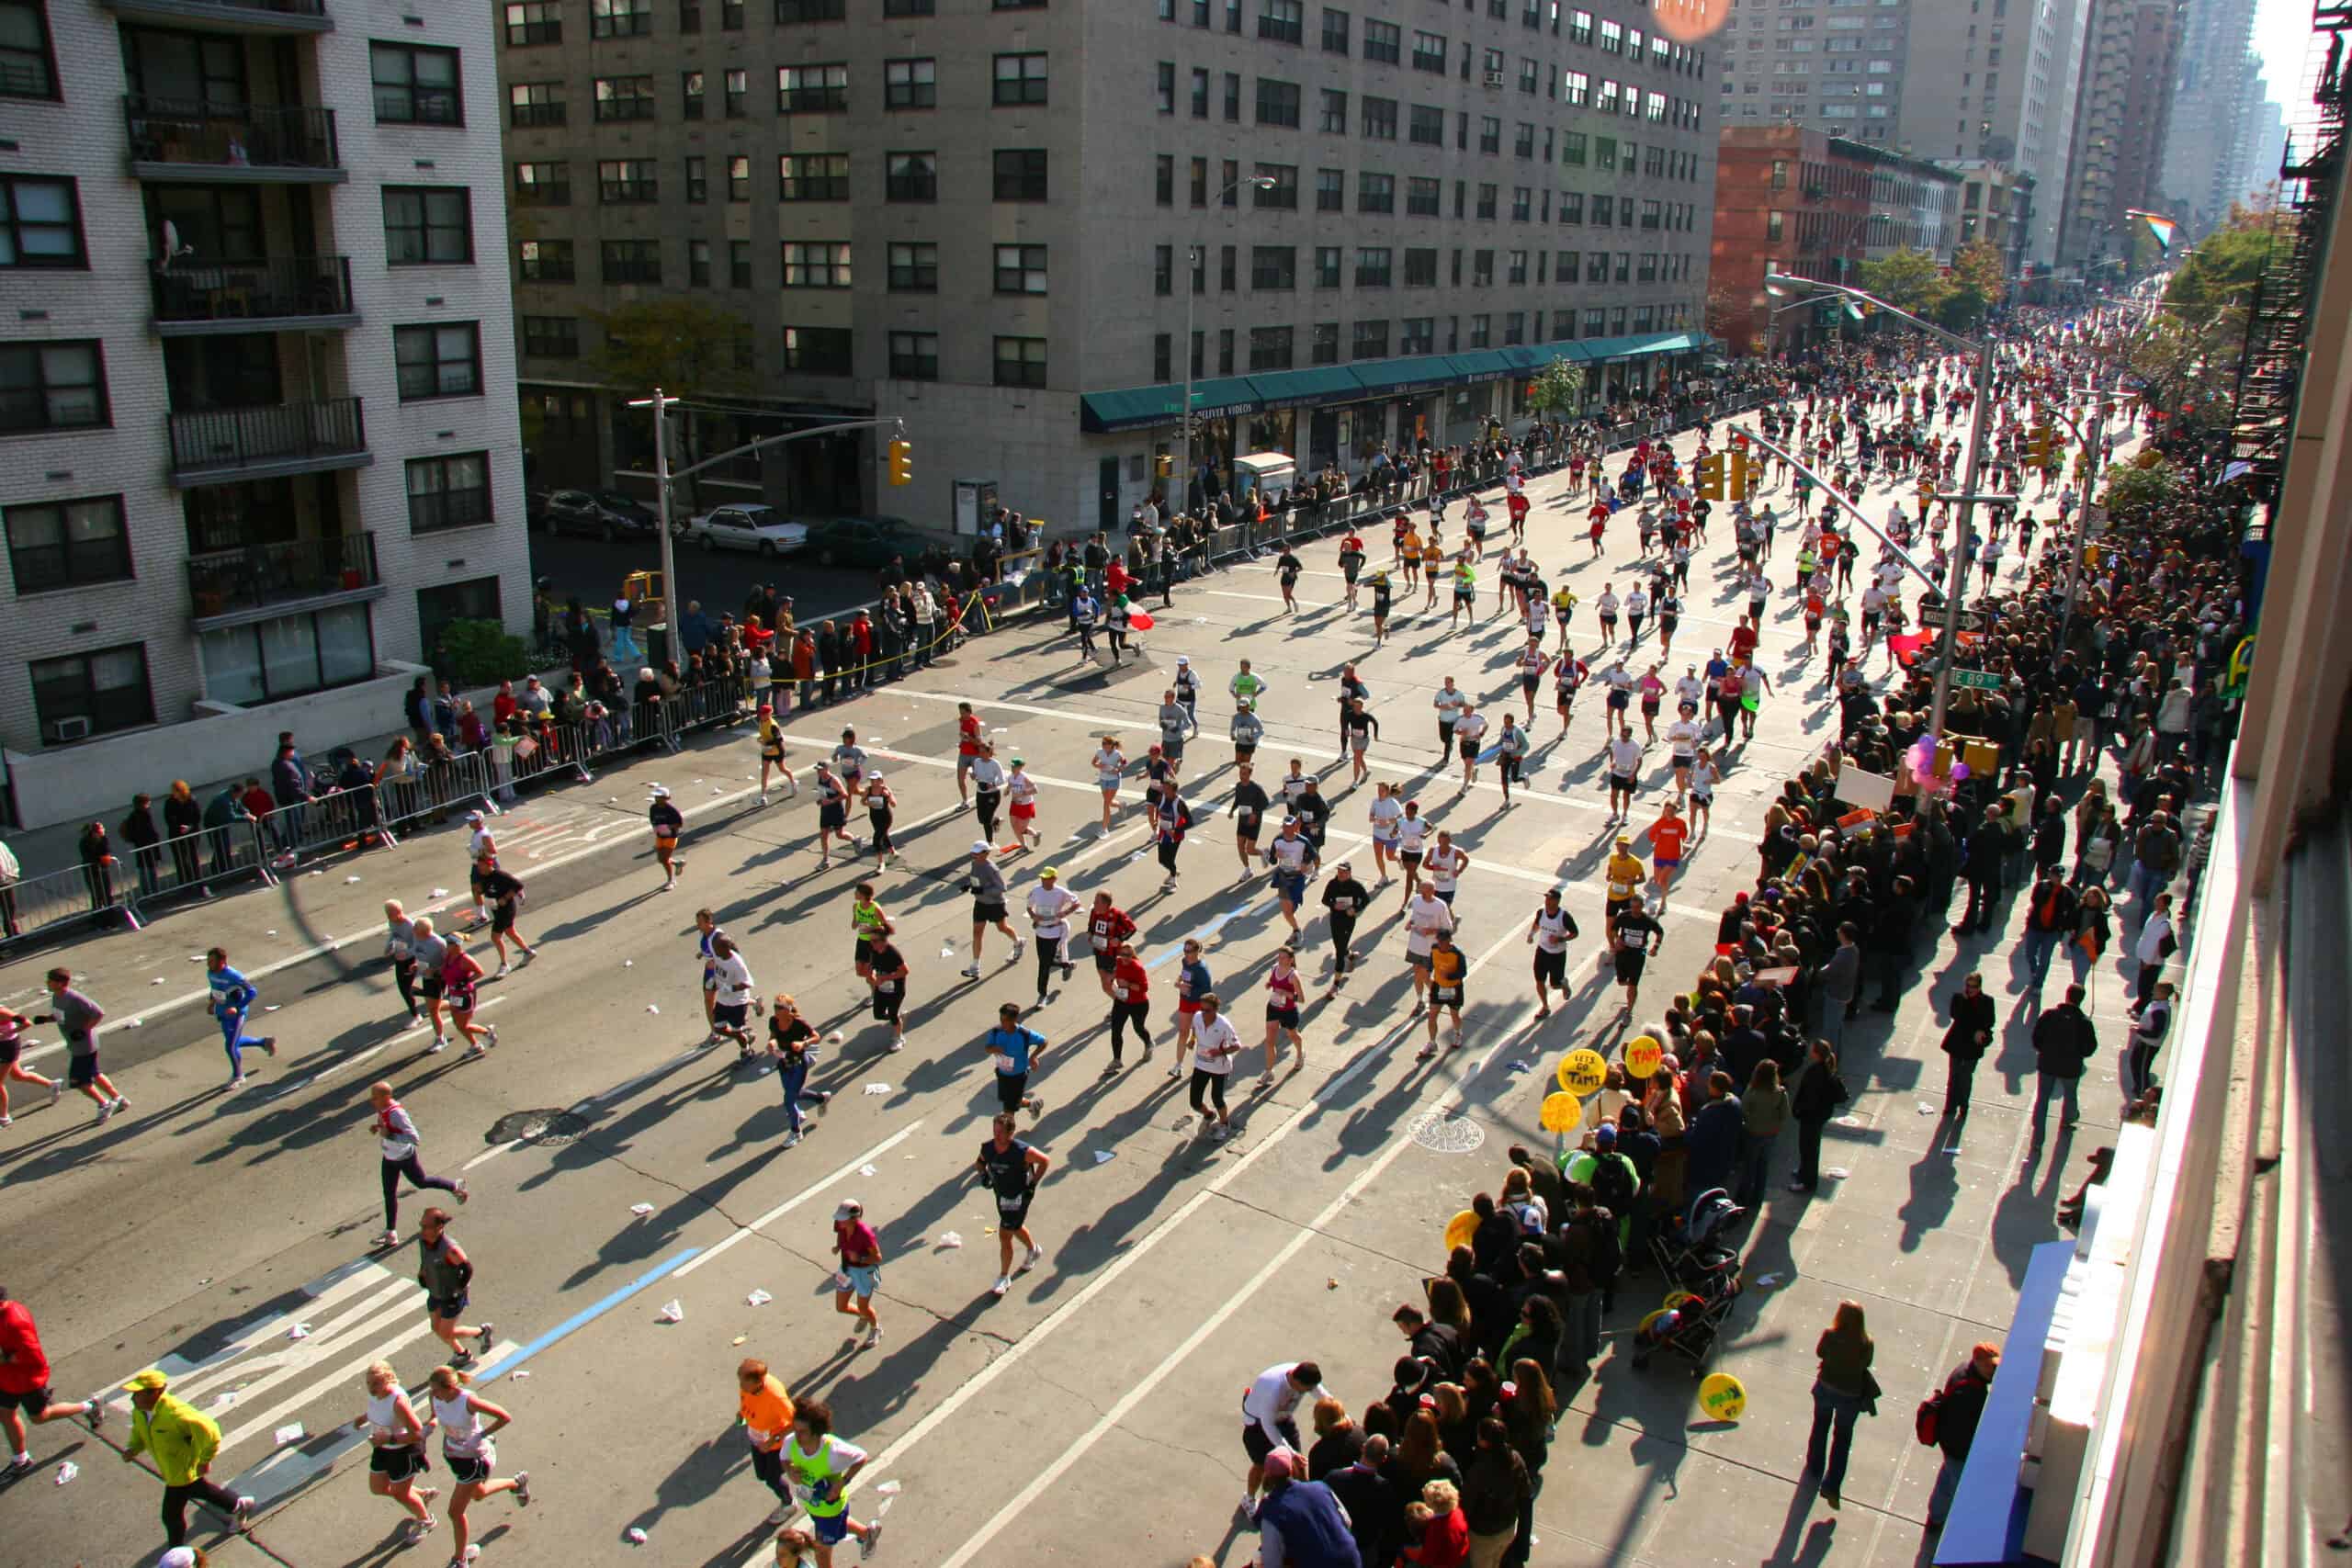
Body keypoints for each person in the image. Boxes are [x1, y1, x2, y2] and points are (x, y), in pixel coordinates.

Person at [121, 1367, 253, 1548]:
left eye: (138, 1393)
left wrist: (204, 1461)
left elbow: (212, 1433)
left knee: (171, 1516)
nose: (133, 1398)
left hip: (181, 1470)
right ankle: (238, 1505)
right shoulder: (140, 1411)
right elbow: (139, 1430)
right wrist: (133, 1447)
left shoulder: (178, 1415)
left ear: (157, 1392)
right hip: (170, 1468)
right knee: (200, 1490)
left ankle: (175, 1552)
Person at [426, 1363, 529, 1564]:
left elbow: (504, 1416)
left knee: (454, 1512)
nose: (433, 1394)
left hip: (474, 1460)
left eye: (437, 1390)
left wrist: (481, 1435)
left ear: (450, 1388)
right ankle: (516, 1483)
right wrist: (424, 1432)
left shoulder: (468, 1401)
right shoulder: (435, 1397)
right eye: (432, 1390)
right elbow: (434, 1418)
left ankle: (460, 1559)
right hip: (454, 1456)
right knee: (479, 1494)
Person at [0, 1289, 102, 1476]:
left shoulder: (15, 1322)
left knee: (40, 1417)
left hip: (27, 1380)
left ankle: (89, 1407)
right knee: (5, 1414)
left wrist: (4, 1358)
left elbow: (31, 1356)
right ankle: (21, 1460)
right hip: (6, 1378)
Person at [775, 1398, 881, 1566]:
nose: (797, 1436)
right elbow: (784, 1458)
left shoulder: (833, 1451)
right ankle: (867, 1534)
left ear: (816, 1432)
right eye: (795, 1429)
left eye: (803, 1432)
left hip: (830, 1508)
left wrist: (843, 1482)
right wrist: (790, 1471)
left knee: (822, 1553)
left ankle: (866, 1534)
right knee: (837, 1525)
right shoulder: (791, 1442)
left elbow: (861, 1457)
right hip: (813, 1504)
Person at [351, 1359, 438, 1540]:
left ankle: (426, 1521)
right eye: (368, 1383)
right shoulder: (376, 1395)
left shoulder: (398, 1403)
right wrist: (363, 1418)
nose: (371, 1388)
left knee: (400, 1493)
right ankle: (421, 1495)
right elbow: (376, 1408)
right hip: (382, 1449)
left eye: (376, 1383)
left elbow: (418, 1434)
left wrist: (388, 1438)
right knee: (378, 1487)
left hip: (403, 1452)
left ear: (389, 1379)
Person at [1806, 1301, 1877, 1509]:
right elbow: (1866, 1364)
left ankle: (1815, 1466)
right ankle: (1832, 1484)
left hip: (1826, 1387)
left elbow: (1820, 1353)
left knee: (1820, 1426)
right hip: (1850, 1395)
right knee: (1843, 1438)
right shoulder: (1866, 1343)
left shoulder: (1830, 1335)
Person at [1923, 1344, 1999, 1533]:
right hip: (1959, 1449)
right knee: (1957, 1488)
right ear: (1979, 1363)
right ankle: (1945, 1523)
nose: (1994, 1371)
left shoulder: (1963, 1372)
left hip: (1950, 1444)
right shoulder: (1971, 1392)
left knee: (1947, 1480)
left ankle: (1936, 1517)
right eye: (1991, 1366)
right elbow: (1968, 1426)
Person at [1241, 1361, 1331, 1517]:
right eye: (1308, 1389)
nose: (1310, 1392)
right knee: (1262, 1465)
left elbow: (1324, 1397)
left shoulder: (1303, 1376)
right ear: (1297, 1382)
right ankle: (1248, 1499)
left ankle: (1305, 1503)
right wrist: (1289, 1452)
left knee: (1299, 1464)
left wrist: (1342, 1416)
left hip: (1283, 1418)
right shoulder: (1274, 1391)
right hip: (1258, 1425)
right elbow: (1268, 1425)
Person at [33, 967, 123, 1122]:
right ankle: (119, 1099)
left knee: (79, 1082)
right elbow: (62, 1016)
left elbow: (98, 1013)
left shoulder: (74, 998)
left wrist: (83, 1031)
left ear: (61, 983)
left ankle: (105, 1104)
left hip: (84, 1046)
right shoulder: (56, 996)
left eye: (50, 981)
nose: (47, 983)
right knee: (94, 1074)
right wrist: (47, 1019)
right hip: (76, 1045)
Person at [976, 1111, 1051, 1296]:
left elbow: (1044, 1161)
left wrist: (1032, 1184)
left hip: (1019, 1197)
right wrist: (983, 1175)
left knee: (1005, 1234)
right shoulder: (988, 1148)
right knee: (1015, 1227)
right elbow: (979, 1162)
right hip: (1001, 1194)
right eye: (995, 1131)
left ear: (1010, 1133)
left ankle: (1003, 1277)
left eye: (1000, 1132)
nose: (996, 1135)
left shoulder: (1022, 1151)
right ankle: (1033, 1249)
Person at [1254, 1446, 1363, 1568]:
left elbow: (1272, 1563)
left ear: (1267, 1474)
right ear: (1291, 1469)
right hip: (1350, 1559)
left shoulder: (1271, 1511)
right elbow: (1347, 1522)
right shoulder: (1320, 1487)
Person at [414, 1207, 492, 1365]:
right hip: (436, 1291)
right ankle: (462, 1354)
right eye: (421, 1225)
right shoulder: (424, 1241)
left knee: (446, 1331)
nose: (422, 1230)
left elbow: (467, 1268)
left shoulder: (449, 1249)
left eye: (426, 1227)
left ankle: (482, 1332)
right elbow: (425, 1259)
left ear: (439, 1227)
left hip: (451, 1296)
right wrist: (422, 1273)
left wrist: (459, 1288)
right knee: (436, 1328)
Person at [1460, 1417, 1532, 1567]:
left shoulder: (1479, 1472)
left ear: (1485, 1442)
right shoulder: (1515, 1459)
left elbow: (1466, 1505)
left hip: (1483, 1536)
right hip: (1508, 1528)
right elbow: (1525, 1493)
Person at [736, 1357, 798, 1523]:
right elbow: (745, 1399)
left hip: (775, 1445)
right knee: (762, 1475)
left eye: (743, 1381)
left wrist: (773, 1440)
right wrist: (743, 1413)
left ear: (757, 1382)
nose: (740, 1384)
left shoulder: (775, 1397)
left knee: (772, 1478)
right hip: (757, 1439)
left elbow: (795, 1422)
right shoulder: (747, 1386)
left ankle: (789, 1504)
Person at [2031, 984, 2097, 1136]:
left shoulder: (2049, 1015)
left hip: (2047, 1063)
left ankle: (2038, 1132)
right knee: (2070, 1095)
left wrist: (2044, 1051)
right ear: (2081, 1000)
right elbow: (2090, 1048)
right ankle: (2067, 1120)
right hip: (2071, 1067)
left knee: (2043, 1098)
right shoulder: (2084, 1023)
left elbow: (2036, 1037)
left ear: (2067, 995)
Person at [769, 994, 831, 1148]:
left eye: (780, 1008)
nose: (776, 1010)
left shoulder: (798, 1023)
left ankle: (796, 1132)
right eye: (775, 1007)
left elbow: (816, 1037)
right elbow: (773, 1037)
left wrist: (804, 1043)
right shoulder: (773, 1021)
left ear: (788, 1010)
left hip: (798, 1064)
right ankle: (821, 1098)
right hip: (784, 1063)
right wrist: (771, 1044)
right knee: (794, 1093)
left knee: (789, 1100)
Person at [1789, 1041, 1849, 1193]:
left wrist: (1800, 1110)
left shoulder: (1816, 1072)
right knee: (1808, 1147)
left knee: (1809, 1148)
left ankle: (1808, 1182)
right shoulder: (1826, 1070)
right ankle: (1804, 1172)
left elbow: (1810, 1097)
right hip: (1819, 1115)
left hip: (1811, 1117)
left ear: (1816, 1053)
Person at [962, 840, 1023, 977]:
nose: (974, 855)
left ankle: (1018, 942)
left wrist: (982, 890)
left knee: (1002, 928)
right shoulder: (975, 863)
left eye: (977, 853)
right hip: (980, 904)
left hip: (995, 904)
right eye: (973, 852)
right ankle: (975, 967)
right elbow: (975, 878)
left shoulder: (991, 868)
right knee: (977, 933)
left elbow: (1001, 888)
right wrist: (968, 885)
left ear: (986, 853)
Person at [1939, 972, 1995, 1122]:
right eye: (1968, 986)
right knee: (1954, 1076)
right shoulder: (1959, 998)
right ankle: (1950, 1106)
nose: (1970, 989)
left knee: (1965, 1077)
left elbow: (1989, 1021)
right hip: (1958, 1042)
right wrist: (1965, 1002)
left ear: (1979, 986)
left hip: (1972, 1045)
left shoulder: (1987, 1001)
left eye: (1974, 987)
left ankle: (1963, 1105)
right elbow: (1956, 1015)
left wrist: (1979, 1031)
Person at [830, 1198, 884, 1347]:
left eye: (843, 1219)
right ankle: (863, 1316)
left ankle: (876, 1328)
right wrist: (838, 1247)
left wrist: (860, 1258)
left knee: (863, 1306)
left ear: (855, 1218)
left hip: (863, 1273)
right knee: (841, 1307)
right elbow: (842, 1239)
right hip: (846, 1269)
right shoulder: (840, 1226)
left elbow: (878, 1257)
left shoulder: (866, 1234)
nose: (839, 1222)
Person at [1189, 992, 1242, 1138]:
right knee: (1194, 1101)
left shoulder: (1223, 1024)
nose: (1204, 1013)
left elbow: (1236, 1045)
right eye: (1202, 1009)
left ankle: (1225, 1123)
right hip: (1201, 1064)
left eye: (1208, 1010)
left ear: (1215, 1009)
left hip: (1219, 1068)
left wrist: (1220, 1051)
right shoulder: (1198, 1016)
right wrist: (1192, 1039)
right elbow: (1194, 1028)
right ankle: (1208, 1115)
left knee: (1217, 1097)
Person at [1025, 865, 1081, 1004]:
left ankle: (1042, 995)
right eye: (1042, 878)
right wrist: (1034, 916)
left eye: (1047, 878)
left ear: (1054, 879)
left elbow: (1076, 902)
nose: (1043, 880)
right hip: (1040, 931)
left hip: (1055, 932)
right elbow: (1029, 906)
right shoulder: (1036, 891)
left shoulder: (1060, 892)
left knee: (1044, 965)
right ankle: (1066, 965)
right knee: (1045, 961)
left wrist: (1065, 912)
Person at [983, 1001, 1047, 1120]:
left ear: (1014, 1019)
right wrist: (993, 1049)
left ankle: (1007, 1133)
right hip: (1002, 1073)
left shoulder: (1024, 1034)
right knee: (1008, 1100)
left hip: (1018, 1076)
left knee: (1008, 1111)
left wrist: (1033, 1056)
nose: (1002, 1023)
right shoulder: (996, 1031)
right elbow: (987, 1048)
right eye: (1001, 1019)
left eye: (1005, 1020)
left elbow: (1043, 1042)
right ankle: (1032, 1105)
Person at [1420, 931, 1467, 1059]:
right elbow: (1431, 963)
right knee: (1432, 1016)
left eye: (1443, 942)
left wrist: (1450, 976)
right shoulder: (1434, 949)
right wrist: (1428, 973)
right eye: (1439, 941)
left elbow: (1463, 972)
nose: (1440, 944)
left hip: (1453, 989)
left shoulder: (1457, 954)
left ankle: (1458, 1033)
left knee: (1454, 1014)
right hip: (1438, 987)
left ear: (1449, 941)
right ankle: (1432, 1043)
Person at [2126, 980, 2174, 1100]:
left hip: (2149, 1044)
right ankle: (2140, 1088)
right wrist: (2137, 1018)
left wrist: (2138, 1031)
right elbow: (2149, 1020)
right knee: (2135, 1063)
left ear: (2163, 993)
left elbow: (2156, 1033)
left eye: (2156, 990)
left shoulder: (2160, 1010)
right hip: (2144, 1041)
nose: (2153, 991)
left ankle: (2142, 1094)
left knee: (2141, 1067)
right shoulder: (2156, 1004)